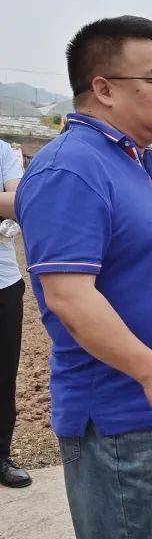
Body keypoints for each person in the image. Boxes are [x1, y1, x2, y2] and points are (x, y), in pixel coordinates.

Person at [15, 16, 152, 539]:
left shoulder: (133, 161)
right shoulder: (72, 167)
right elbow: (69, 296)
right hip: (125, 423)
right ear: (102, 87)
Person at [0, 139, 28, 489]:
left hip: (4, 283)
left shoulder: (3, 152)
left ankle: (1, 455)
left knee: (4, 375)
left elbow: (19, 201)